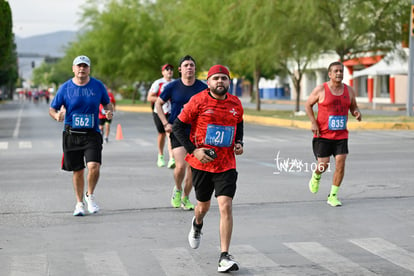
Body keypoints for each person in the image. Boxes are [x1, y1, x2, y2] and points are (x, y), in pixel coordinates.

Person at [172, 64, 244, 273]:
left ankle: (224, 256)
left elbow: (239, 123)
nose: (220, 82)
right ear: (209, 82)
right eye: (216, 79)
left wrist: (239, 141)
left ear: (228, 82)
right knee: (203, 206)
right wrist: (194, 151)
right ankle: (197, 223)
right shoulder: (198, 100)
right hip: (202, 164)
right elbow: (178, 126)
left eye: (224, 78)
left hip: (226, 164)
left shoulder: (235, 103)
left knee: (225, 206)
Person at [49, 55, 114, 216]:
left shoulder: (97, 86)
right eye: (79, 66)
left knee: (94, 166)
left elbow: (107, 103)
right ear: (73, 68)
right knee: (77, 171)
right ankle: (79, 203)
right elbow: (52, 108)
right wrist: (56, 116)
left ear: (89, 69)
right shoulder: (65, 88)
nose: (82, 69)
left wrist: (108, 111)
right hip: (72, 134)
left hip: (92, 134)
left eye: (85, 66)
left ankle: (89, 195)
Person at [305, 61, 362, 207]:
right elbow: (308, 105)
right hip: (323, 135)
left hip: (341, 136)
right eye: (336, 71)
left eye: (341, 71)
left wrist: (355, 112)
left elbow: (353, 105)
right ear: (329, 74)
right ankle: (316, 176)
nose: (339, 73)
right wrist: (313, 122)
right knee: (323, 165)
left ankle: (333, 195)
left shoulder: (349, 91)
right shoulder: (321, 89)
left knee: (341, 163)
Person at [155, 55, 207, 211]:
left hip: (196, 131)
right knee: (181, 166)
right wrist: (165, 123)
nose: (189, 67)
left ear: (195, 68)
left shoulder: (202, 87)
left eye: (192, 65)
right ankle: (177, 189)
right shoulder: (172, 87)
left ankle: (185, 197)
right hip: (178, 129)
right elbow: (158, 104)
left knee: (193, 167)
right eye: (186, 65)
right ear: (180, 69)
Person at [147, 63, 175, 168]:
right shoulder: (158, 83)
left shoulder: (175, 83)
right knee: (162, 134)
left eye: (171, 69)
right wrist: (162, 99)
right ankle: (160, 155)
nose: (169, 71)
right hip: (159, 111)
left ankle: (172, 158)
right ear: (163, 72)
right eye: (166, 69)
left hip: (171, 112)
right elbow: (150, 98)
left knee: (170, 134)